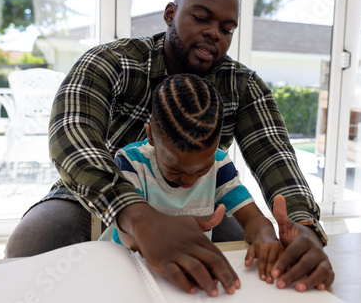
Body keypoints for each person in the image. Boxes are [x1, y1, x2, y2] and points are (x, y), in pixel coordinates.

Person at [5, 0, 334, 296]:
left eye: (226, 28)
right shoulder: (112, 62)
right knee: (34, 241)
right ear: (170, 14)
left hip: (196, 204)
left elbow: (275, 156)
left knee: (238, 262)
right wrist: (137, 215)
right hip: (98, 197)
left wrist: (302, 226)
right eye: (201, 18)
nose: (213, 33)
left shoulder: (243, 87)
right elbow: (71, 135)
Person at [101, 73, 283, 284]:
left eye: (202, 168)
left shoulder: (220, 165)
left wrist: (266, 236)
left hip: (185, 268)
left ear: (217, 143)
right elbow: (128, 237)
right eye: (175, 169)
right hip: (126, 266)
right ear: (150, 136)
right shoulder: (131, 163)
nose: (189, 179)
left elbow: (252, 219)